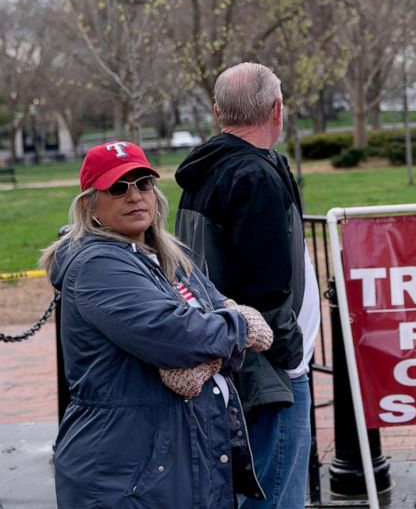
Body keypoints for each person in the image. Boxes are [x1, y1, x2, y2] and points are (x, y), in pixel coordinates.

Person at [40, 140, 273, 507]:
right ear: (89, 204)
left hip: (178, 464)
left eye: (143, 183)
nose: (134, 196)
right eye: (118, 188)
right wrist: (239, 328)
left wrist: (215, 343)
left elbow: (215, 312)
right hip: (125, 474)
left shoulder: (169, 257)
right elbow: (176, 336)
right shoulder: (97, 265)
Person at [175, 62, 320, 508]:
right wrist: (291, 356)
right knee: (275, 494)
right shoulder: (252, 176)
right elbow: (265, 286)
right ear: (278, 109)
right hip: (267, 368)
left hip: (237, 357)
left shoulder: (210, 171)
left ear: (219, 112)